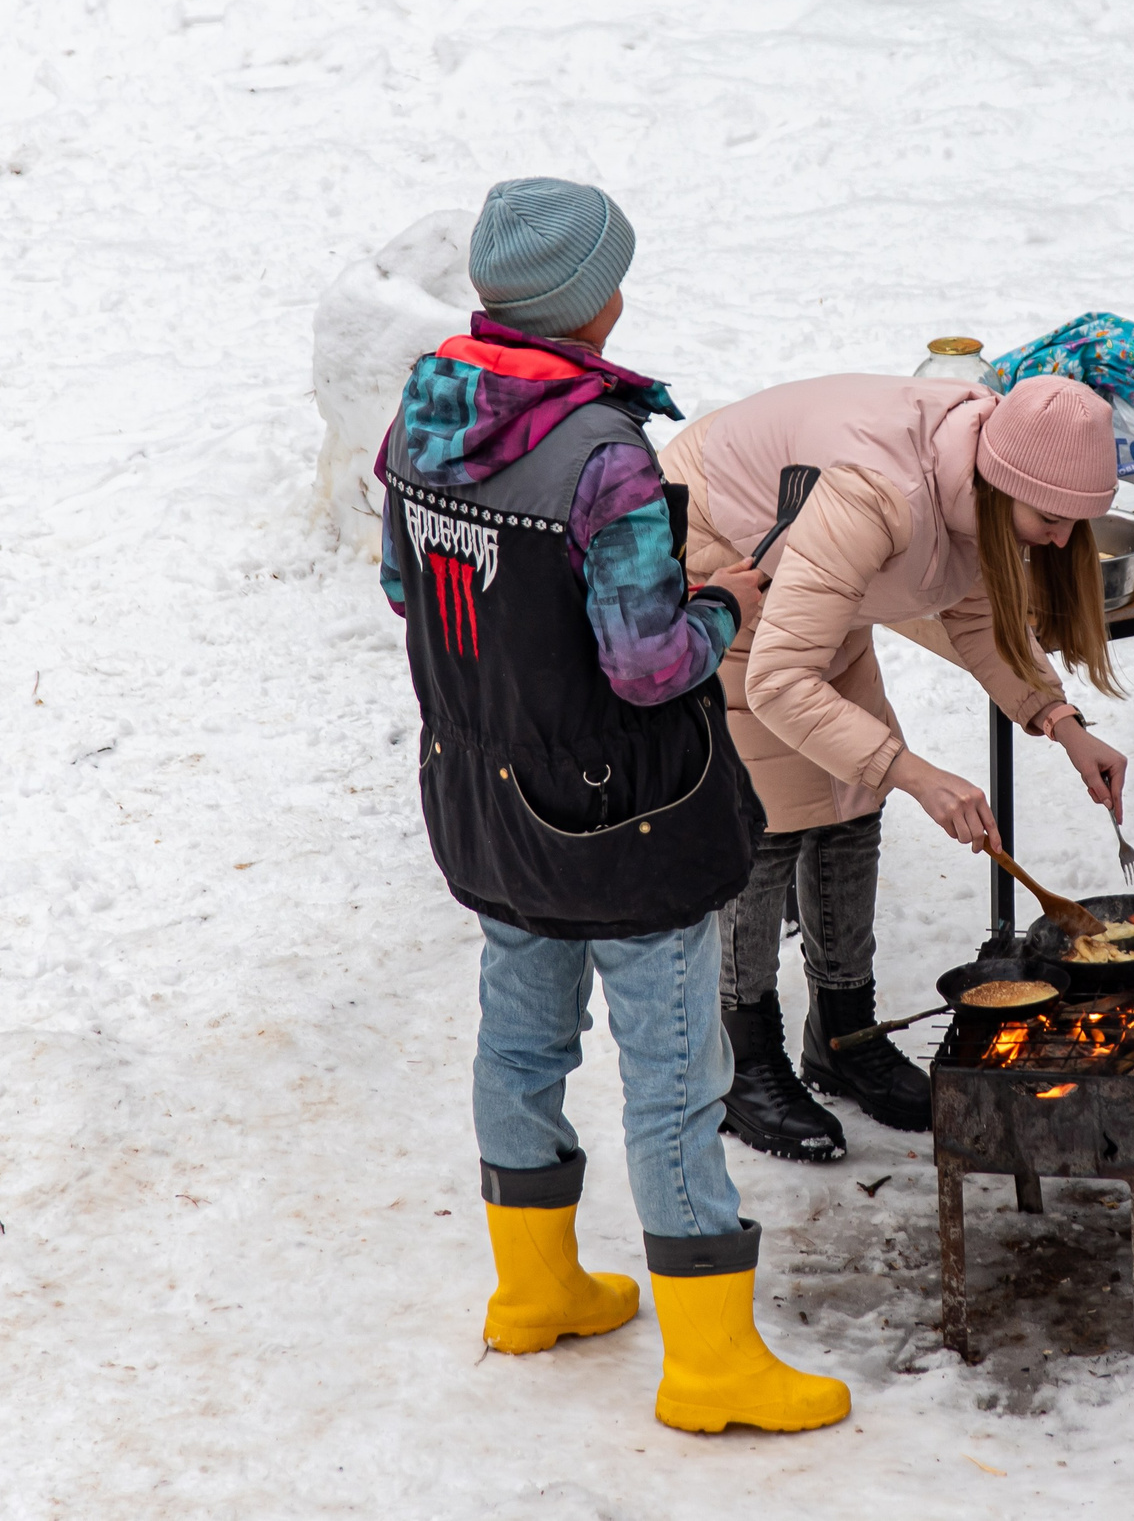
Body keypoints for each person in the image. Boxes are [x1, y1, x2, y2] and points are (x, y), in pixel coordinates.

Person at [378, 177, 847, 1432]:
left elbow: (400, 585)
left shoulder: (420, 416)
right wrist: (722, 607)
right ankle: (709, 1363)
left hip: (482, 791)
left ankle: (535, 1290)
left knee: (521, 1038)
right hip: (622, 816)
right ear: (600, 302)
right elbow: (647, 665)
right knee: (672, 1078)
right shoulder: (602, 456)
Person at [658, 372, 1130, 1162]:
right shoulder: (880, 496)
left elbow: (975, 612)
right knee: (770, 810)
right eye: (1051, 520)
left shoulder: (975, 484)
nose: (1058, 540)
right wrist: (918, 773)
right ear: (1003, 485)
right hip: (725, 553)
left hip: (816, 573)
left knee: (851, 791)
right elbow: (777, 680)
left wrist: (1060, 720)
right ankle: (738, 1053)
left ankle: (847, 1033)